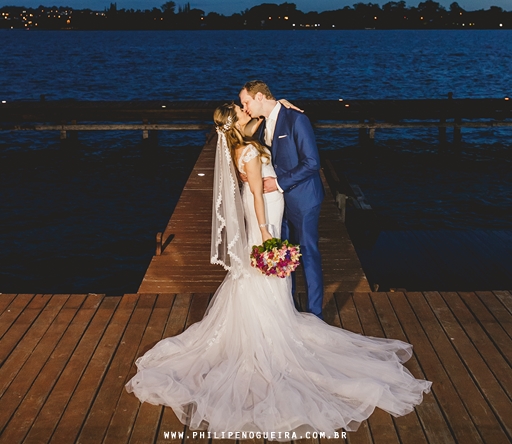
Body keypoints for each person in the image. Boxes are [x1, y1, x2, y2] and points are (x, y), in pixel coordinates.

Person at [126, 102, 431, 435]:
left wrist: (282, 106)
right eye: (241, 111)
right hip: (264, 217)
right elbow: (257, 194)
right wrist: (266, 232)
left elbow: (261, 120)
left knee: (262, 280)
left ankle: (272, 320)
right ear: (236, 123)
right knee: (267, 277)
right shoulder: (250, 153)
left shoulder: (242, 145)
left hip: (265, 211)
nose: (246, 111)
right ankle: (271, 334)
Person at [239, 80, 324, 318]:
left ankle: (315, 314)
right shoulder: (262, 122)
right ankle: (290, 310)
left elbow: (312, 162)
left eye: (246, 102)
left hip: (303, 199)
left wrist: (277, 183)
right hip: (278, 205)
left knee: (308, 253)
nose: (244, 108)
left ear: (258, 97)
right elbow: (242, 140)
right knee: (285, 253)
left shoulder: (297, 120)